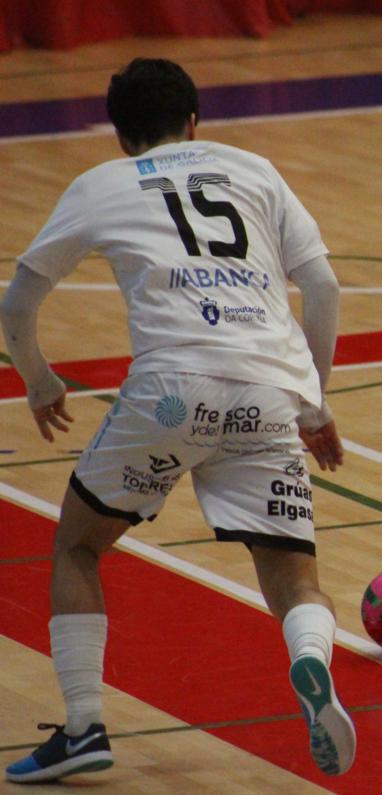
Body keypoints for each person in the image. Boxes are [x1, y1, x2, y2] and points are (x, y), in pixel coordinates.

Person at [1, 59, 355, 783]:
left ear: (121, 134)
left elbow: (18, 300)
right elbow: (322, 286)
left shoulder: (101, 183)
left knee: (77, 546)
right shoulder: (253, 169)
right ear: (194, 122)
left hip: (172, 392)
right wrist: (314, 402)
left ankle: (83, 727)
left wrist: (40, 381)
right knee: (294, 577)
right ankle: (311, 662)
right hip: (269, 391)